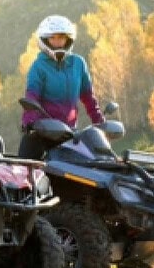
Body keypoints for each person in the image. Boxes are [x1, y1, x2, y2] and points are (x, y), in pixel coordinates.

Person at [18, 15, 104, 160]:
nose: (57, 42)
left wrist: (99, 122)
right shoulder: (38, 67)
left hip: (69, 135)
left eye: (61, 37)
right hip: (43, 133)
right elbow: (31, 98)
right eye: (53, 38)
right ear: (45, 40)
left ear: (68, 39)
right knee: (25, 172)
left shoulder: (78, 64)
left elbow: (88, 97)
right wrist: (29, 123)